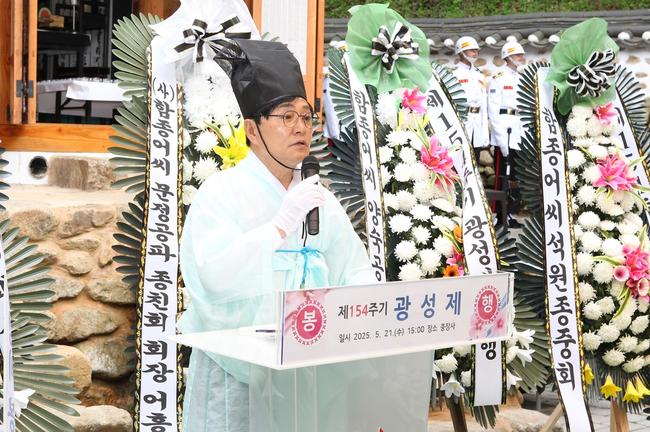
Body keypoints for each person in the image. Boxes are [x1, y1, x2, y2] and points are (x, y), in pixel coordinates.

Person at [178, 39, 431, 432]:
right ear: (252, 129)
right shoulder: (221, 192)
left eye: (306, 116)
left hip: (306, 365)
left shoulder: (318, 199)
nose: (300, 127)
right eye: (285, 116)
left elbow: (352, 270)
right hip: (237, 371)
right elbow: (212, 277)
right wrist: (277, 228)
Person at [487, 41, 526, 228]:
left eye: (521, 54)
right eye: (518, 55)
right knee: (501, 176)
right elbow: (494, 112)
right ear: (508, 57)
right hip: (505, 132)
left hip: (518, 132)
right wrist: (501, 141)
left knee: (516, 177)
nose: (521, 58)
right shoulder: (498, 78)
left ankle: (510, 212)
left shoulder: (521, 78)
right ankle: (498, 216)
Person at [453, 36, 489, 158]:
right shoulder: (454, 75)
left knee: (476, 159)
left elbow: (483, 105)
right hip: (462, 122)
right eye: (472, 50)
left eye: (476, 50)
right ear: (461, 52)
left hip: (477, 123)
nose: (475, 53)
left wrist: (485, 131)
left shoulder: (479, 75)